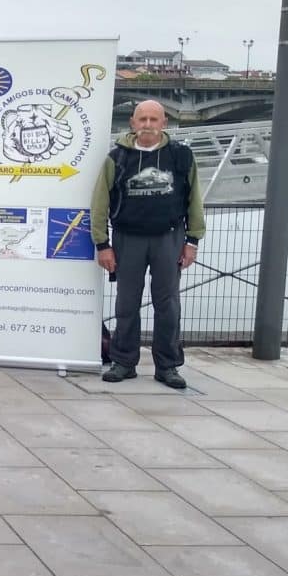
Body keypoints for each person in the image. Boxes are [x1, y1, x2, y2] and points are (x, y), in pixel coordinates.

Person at [92, 99, 205, 389]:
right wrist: (102, 244)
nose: (148, 125)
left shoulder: (181, 156)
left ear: (164, 123)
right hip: (127, 239)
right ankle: (124, 361)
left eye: (154, 120)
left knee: (168, 304)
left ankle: (167, 366)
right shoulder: (116, 158)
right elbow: (100, 202)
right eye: (142, 119)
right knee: (126, 303)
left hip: (169, 237)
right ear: (132, 122)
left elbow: (195, 200)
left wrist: (192, 240)